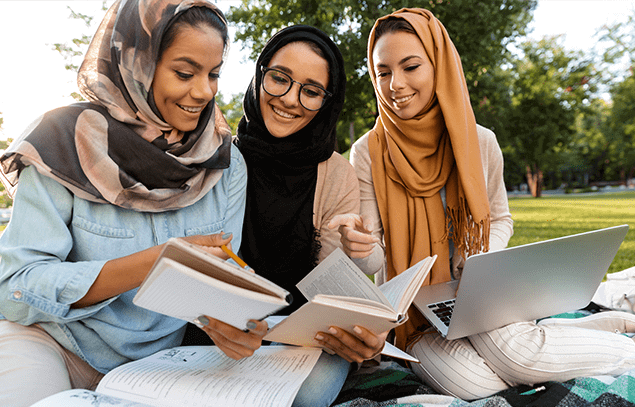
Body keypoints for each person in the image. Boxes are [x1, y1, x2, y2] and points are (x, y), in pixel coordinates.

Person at [333, 7, 635, 401]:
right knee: (474, 384)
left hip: (479, 292)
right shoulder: (367, 152)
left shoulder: (480, 142)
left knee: (520, 357)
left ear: (439, 66)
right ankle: (565, 337)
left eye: (410, 67)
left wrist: (479, 262)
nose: (395, 84)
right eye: (383, 71)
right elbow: (374, 262)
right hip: (416, 316)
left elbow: (501, 219)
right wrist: (358, 249)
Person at [0, 1, 268, 406]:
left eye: (213, 74)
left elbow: (220, 282)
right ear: (137, 63)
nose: (204, 92)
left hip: (158, 365)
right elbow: (15, 286)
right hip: (55, 345)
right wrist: (153, 262)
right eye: (185, 72)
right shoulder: (61, 143)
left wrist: (227, 324)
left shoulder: (225, 163)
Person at [234, 25, 388, 406]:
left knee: (304, 398)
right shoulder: (220, 159)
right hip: (222, 328)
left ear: (327, 100)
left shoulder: (336, 174)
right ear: (260, 75)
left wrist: (357, 254)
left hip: (305, 337)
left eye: (311, 90)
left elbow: (335, 288)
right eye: (280, 79)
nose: (290, 99)